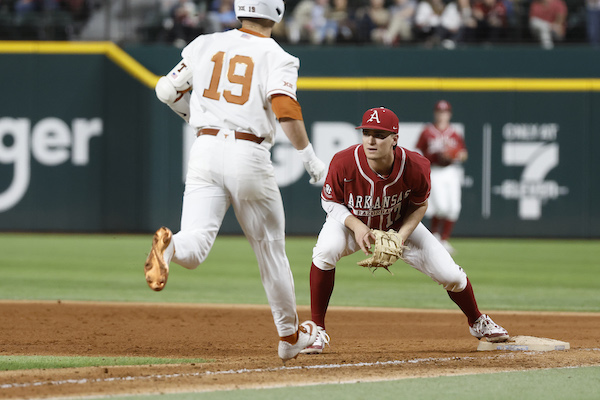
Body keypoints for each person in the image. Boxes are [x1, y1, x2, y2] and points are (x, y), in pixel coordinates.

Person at [145, 0, 326, 363]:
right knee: (271, 252)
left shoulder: (204, 43)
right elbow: (285, 108)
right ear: (276, 11)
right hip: (248, 153)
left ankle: (170, 248)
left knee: (193, 246)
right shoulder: (278, 56)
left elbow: (166, 91)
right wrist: (310, 158)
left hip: (204, 147)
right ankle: (289, 338)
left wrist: (197, 116)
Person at [301, 106, 508, 355]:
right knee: (325, 251)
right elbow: (330, 201)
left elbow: (420, 205)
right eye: (367, 132)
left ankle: (477, 321)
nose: (371, 140)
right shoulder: (344, 161)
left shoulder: (416, 166)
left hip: (398, 223)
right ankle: (317, 329)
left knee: (451, 275)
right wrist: (356, 227)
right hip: (352, 221)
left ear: (395, 139)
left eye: (379, 134)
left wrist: (400, 237)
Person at [415, 100, 466, 254]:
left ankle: (443, 240)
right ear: (435, 113)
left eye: (445, 112)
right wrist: (435, 155)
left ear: (449, 114)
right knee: (441, 207)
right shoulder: (427, 131)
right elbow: (417, 151)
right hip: (435, 169)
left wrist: (453, 154)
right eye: (439, 111)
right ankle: (435, 235)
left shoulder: (454, 132)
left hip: (451, 171)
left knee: (454, 208)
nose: (442, 114)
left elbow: (464, 154)